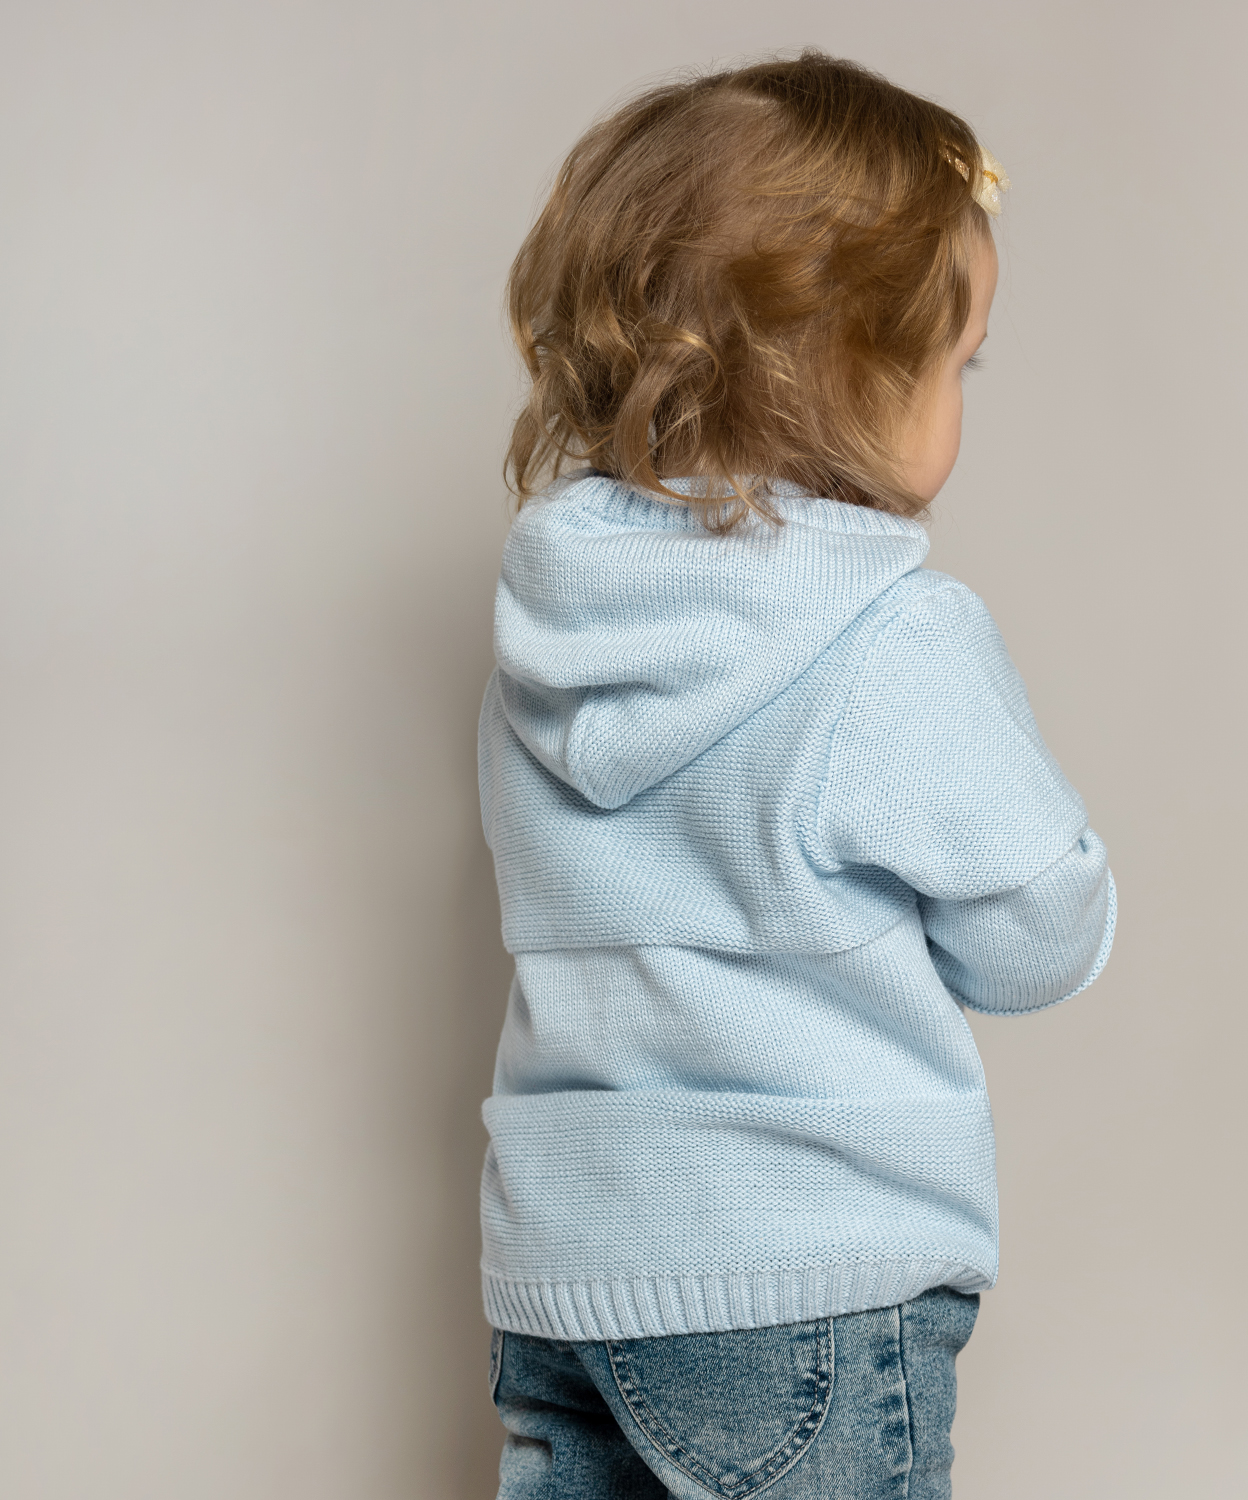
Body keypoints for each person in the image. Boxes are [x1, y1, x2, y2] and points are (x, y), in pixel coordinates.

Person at [476, 50, 1115, 1499]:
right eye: (957, 364)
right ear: (854, 379)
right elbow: (1035, 938)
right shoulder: (893, 637)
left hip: (565, 1261)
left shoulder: (547, 633)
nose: (961, 397)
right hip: (806, 1272)